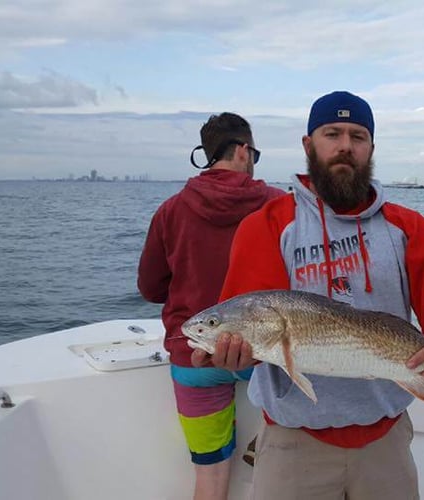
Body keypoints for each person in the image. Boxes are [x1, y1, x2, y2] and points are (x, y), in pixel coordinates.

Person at [194, 91, 424, 499]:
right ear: (308, 144)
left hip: (386, 439)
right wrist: (226, 349)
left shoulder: (406, 227)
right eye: (332, 133)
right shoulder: (267, 227)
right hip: (292, 441)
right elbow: (243, 316)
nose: (345, 145)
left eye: (358, 135)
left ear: (371, 148)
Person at [137, 112, 283, 500]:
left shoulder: (171, 210)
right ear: (242, 150)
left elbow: (151, 287)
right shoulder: (278, 206)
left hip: (194, 359)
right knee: (286, 467)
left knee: (211, 475)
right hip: (264, 357)